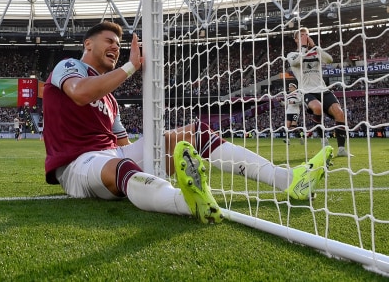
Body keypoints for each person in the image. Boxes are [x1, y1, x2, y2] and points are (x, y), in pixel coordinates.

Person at [43, 21, 334, 224]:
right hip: (77, 166)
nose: (116, 48)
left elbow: (125, 147)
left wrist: (159, 153)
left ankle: (290, 180)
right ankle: (185, 202)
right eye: (109, 42)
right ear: (88, 43)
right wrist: (130, 66)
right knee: (121, 167)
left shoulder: (111, 101)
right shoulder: (69, 67)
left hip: (112, 156)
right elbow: (79, 94)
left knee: (195, 133)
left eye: (119, 45)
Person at [286, 27, 351, 157]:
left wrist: (315, 46)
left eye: (307, 35)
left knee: (340, 113)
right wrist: (303, 46)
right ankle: (323, 139)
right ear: (296, 39)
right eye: (302, 35)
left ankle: (342, 149)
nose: (305, 37)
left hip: (323, 89)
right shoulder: (292, 55)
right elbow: (297, 61)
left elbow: (329, 60)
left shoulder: (315, 52)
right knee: (317, 107)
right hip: (307, 91)